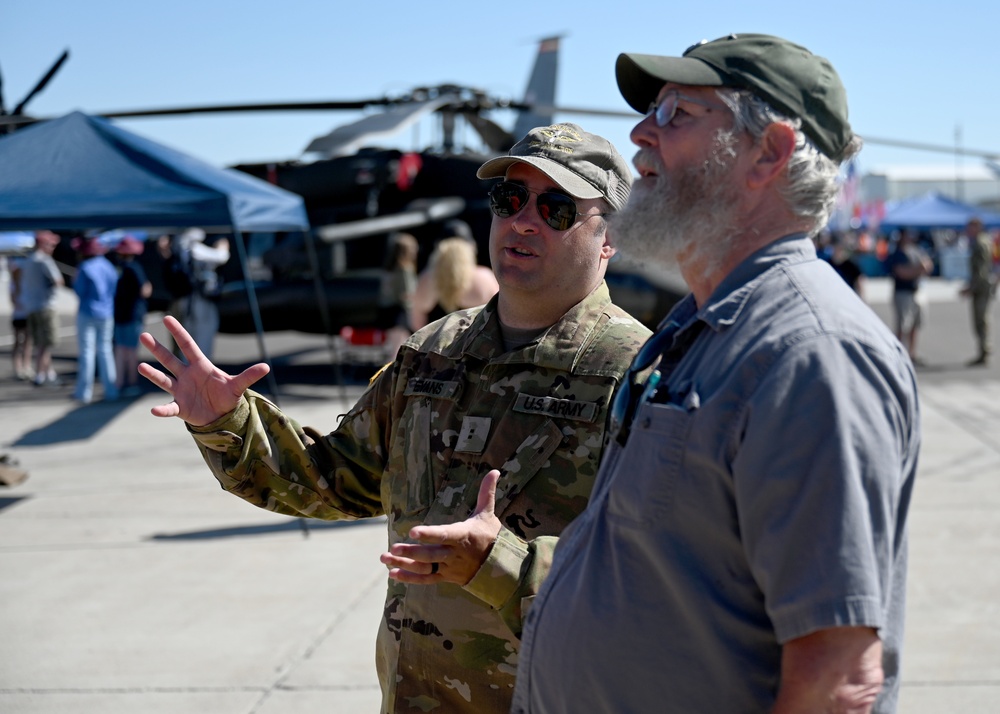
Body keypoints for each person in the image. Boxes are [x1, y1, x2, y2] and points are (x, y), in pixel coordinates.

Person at [138, 123, 649, 713]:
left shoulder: (639, 373)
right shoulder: (433, 352)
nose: (524, 220)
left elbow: (659, 572)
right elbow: (331, 480)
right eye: (509, 200)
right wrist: (228, 420)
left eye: (557, 208)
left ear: (608, 238)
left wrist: (501, 563)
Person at [510, 35, 920, 714]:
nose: (641, 133)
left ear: (770, 152)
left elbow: (837, 675)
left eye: (678, 114)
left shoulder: (811, 353)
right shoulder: (695, 330)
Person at [163, 228, 230, 361]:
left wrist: (196, 249)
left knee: (201, 341)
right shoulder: (180, 242)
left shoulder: (209, 239)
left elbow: (223, 256)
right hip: (186, 301)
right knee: (187, 340)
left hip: (202, 301)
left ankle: (199, 372)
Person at [411, 236, 499, 329]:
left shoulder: (426, 280)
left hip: (437, 341)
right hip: (477, 341)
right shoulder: (484, 278)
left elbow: (417, 326)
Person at [72, 236, 119, 403]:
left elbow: (79, 291)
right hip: (106, 313)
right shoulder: (108, 266)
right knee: (106, 351)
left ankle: (84, 392)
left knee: (87, 352)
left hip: (87, 312)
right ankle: (111, 390)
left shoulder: (84, 267)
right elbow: (113, 290)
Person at [19, 230, 65, 386]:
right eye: (50, 244)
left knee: (40, 342)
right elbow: (59, 281)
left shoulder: (29, 260)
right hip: (46, 307)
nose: (52, 247)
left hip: (31, 307)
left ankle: (49, 373)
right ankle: (40, 374)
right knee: (45, 344)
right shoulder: (45, 260)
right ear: (41, 244)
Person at [885, 228, 933, 364]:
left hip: (916, 291)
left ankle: (911, 353)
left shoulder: (916, 250)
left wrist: (920, 269)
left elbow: (927, 264)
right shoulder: (897, 253)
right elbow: (901, 273)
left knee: (914, 325)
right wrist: (918, 270)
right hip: (902, 292)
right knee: (902, 326)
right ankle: (898, 354)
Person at [113, 235, 153, 395]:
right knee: (131, 351)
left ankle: (119, 382)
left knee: (120, 350)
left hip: (119, 314)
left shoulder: (117, 267)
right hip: (133, 313)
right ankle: (131, 383)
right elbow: (145, 290)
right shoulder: (134, 267)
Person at [960, 218, 996, 366]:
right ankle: (983, 350)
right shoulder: (985, 241)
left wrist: (971, 287)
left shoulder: (979, 243)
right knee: (982, 318)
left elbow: (980, 270)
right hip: (985, 284)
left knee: (980, 319)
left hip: (981, 286)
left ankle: (984, 350)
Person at [375, 232, 419, 356]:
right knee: (397, 350)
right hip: (400, 314)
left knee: (391, 348)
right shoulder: (405, 269)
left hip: (387, 312)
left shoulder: (388, 269)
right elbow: (407, 293)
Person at [8, 253, 33, 381]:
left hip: (26, 314)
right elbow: (13, 300)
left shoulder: (26, 283)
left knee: (28, 341)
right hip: (19, 315)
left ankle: (26, 366)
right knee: (18, 341)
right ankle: (18, 367)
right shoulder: (13, 284)